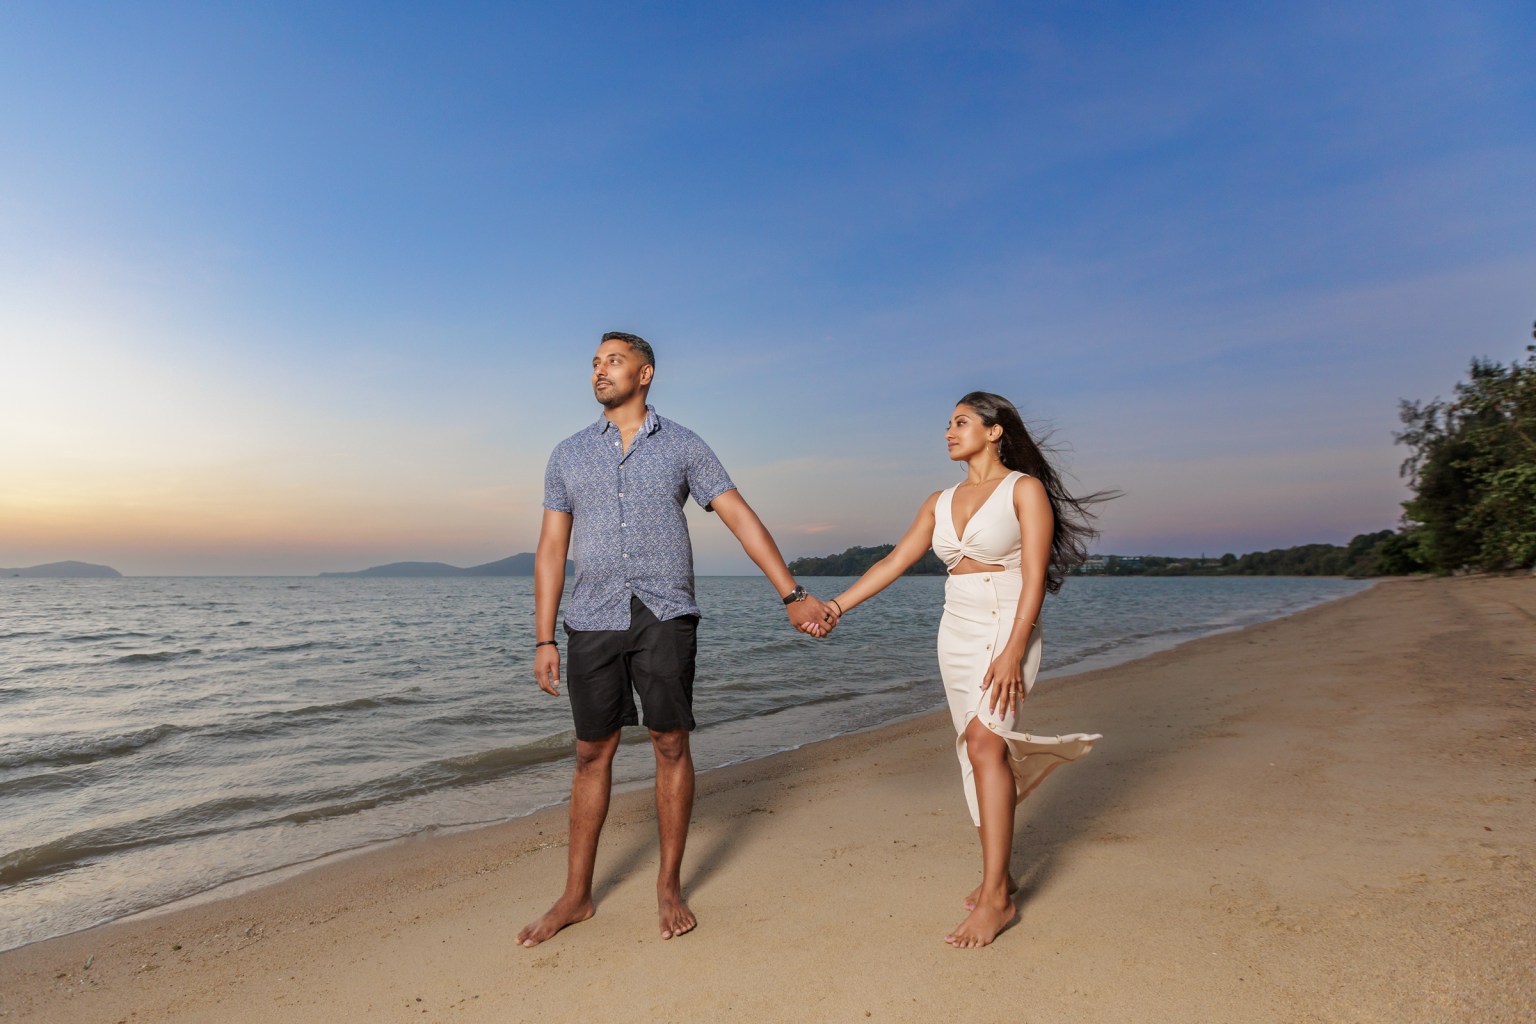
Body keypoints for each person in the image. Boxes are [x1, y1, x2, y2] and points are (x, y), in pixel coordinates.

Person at [518, 331, 837, 948]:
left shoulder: (685, 445)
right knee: (591, 752)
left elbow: (740, 515)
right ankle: (576, 894)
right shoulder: (567, 454)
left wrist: (794, 596)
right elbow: (552, 547)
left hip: (664, 613)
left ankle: (669, 887)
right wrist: (542, 637)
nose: (599, 371)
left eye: (613, 361)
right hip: (591, 618)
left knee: (669, 742)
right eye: (594, 363)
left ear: (646, 373)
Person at [825, 391, 1105, 948]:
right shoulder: (939, 499)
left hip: (1009, 625)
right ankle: (996, 878)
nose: (949, 432)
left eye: (961, 422)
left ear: (995, 430)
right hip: (956, 630)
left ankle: (997, 898)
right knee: (977, 752)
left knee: (984, 743)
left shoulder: (1024, 491)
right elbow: (893, 562)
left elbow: (1033, 577)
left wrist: (1012, 648)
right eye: (947, 424)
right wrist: (835, 608)